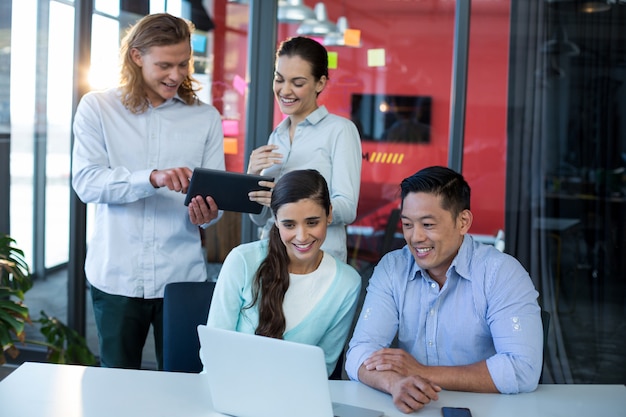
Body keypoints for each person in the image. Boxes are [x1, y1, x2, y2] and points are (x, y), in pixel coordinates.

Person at [71, 13, 225, 369]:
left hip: (182, 276)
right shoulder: (98, 108)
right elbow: (87, 182)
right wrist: (150, 178)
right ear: (137, 57)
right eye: (165, 65)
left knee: (185, 385)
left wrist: (209, 214)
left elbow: (214, 206)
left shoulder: (206, 118)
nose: (177, 75)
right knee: (116, 384)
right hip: (116, 275)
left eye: (184, 63)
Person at [345, 166, 543, 414]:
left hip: (487, 409)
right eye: (407, 224)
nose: (415, 237)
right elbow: (359, 352)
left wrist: (421, 372)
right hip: (416, 409)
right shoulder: (393, 267)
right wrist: (395, 383)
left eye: (427, 224)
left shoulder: (501, 273)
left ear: (463, 222)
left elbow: (522, 369)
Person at [206, 169, 361, 376]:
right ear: (276, 221)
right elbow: (215, 349)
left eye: (312, 222)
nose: (302, 236)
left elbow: (323, 367)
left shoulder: (347, 283)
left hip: (293, 399)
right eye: (289, 224)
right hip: (229, 387)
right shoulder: (242, 260)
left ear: (330, 214)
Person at [247, 36, 362, 263]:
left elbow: (347, 209)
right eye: (279, 79)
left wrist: (287, 201)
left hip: (318, 263)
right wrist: (251, 179)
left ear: (320, 83)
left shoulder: (340, 131)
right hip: (272, 260)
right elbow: (260, 220)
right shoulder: (276, 135)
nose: (285, 90)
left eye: (297, 83)